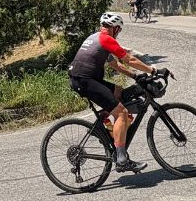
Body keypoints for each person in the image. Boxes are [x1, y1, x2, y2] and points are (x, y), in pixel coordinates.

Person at [68, 12, 167, 173]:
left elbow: (115, 64)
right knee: (122, 113)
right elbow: (129, 59)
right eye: (118, 30)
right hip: (85, 81)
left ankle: (104, 124)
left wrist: (135, 76)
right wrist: (152, 70)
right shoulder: (107, 39)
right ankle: (121, 159)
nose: (118, 33)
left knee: (119, 91)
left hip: (82, 78)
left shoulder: (96, 37)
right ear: (114, 28)